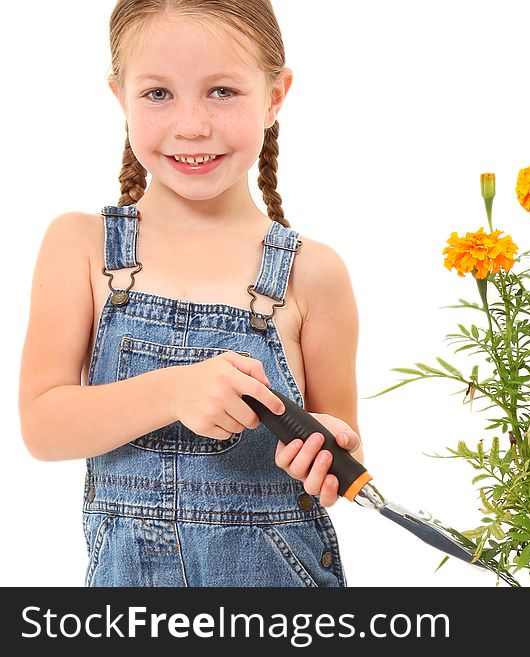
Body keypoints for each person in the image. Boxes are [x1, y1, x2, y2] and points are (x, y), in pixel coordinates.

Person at [17, 0, 361, 587]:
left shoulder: (314, 273)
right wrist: (172, 391)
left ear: (275, 96)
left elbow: (339, 457)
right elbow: (43, 426)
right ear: (118, 96)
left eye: (222, 91)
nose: (191, 125)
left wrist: (326, 450)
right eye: (157, 94)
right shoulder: (81, 246)